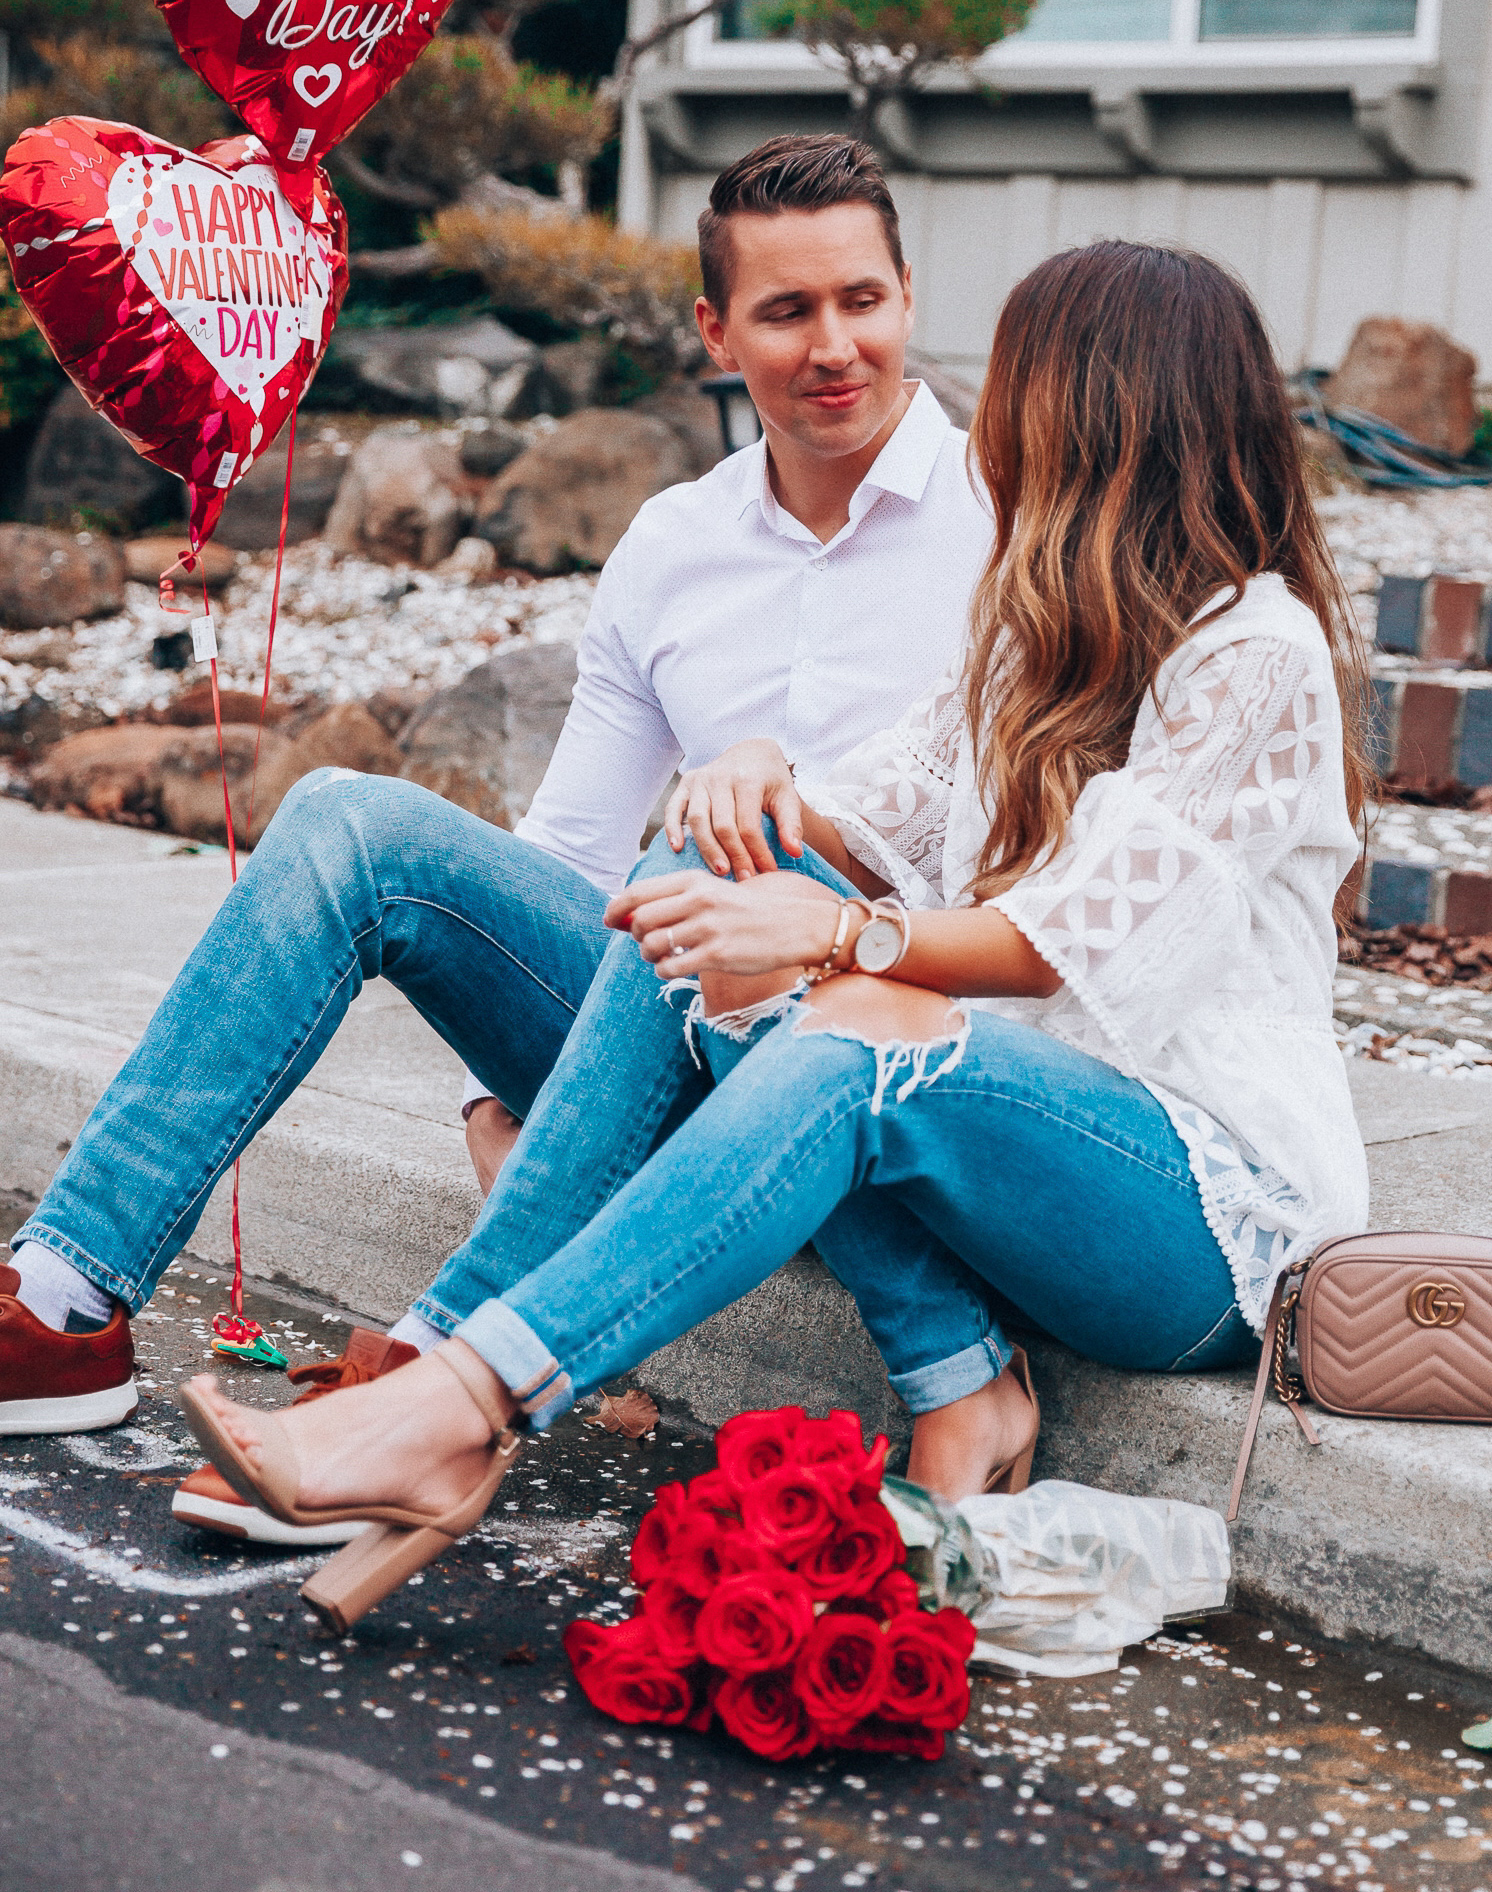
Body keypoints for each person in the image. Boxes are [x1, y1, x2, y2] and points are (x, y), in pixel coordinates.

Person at [182, 238, 1374, 1634]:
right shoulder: (1035, 626)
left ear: (1095, 415)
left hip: (1194, 1213)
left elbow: (1066, 945)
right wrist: (744, 782)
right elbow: (855, 811)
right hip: (1009, 1139)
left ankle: (457, 1404)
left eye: (1016, 388)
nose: (988, 419)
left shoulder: (1256, 653)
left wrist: (839, 934)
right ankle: (504, 1386)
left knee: (850, 1019)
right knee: (718, 875)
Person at [0, 134, 993, 1537]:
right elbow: (568, 867)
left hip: (883, 1057)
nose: (836, 346)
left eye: (863, 300)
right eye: (787, 311)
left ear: (905, 293)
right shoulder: (673, 544)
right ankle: (63, 1302)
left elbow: (1030, 883)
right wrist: (501, 1087)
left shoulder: (1011, 524)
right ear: (716, 332)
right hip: (668, 1023)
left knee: (715, 875)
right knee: (353, 819)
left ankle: (429, 1385)